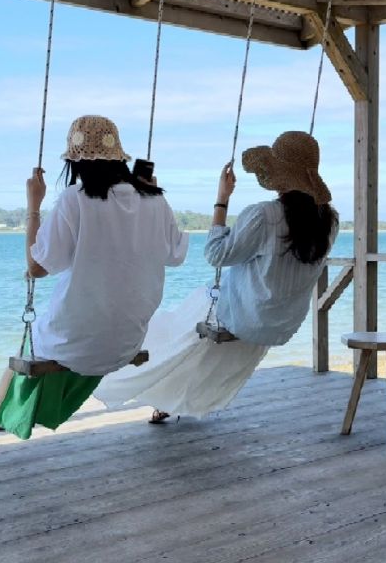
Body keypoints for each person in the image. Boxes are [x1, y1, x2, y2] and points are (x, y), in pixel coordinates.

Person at [96, 130, 338, 422]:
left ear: (277, 175)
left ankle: (135, 381)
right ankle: (170, 400)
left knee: (173, 330)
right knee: (194, 344)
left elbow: (216, 255)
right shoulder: (328, 222)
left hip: (245, 316)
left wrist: (221, 201)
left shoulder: (265, 215)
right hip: (282, 323)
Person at [0, 115, 188, 438]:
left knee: (38, 344)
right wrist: (152, 194)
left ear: (75, 161)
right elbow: (177, 256)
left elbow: (36, 267)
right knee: (66, 335)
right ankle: (6, 408)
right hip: (127, 342)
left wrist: (34, 205)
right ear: (120, 159)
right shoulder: (154, 200)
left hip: (77, 344)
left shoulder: (75, 200)